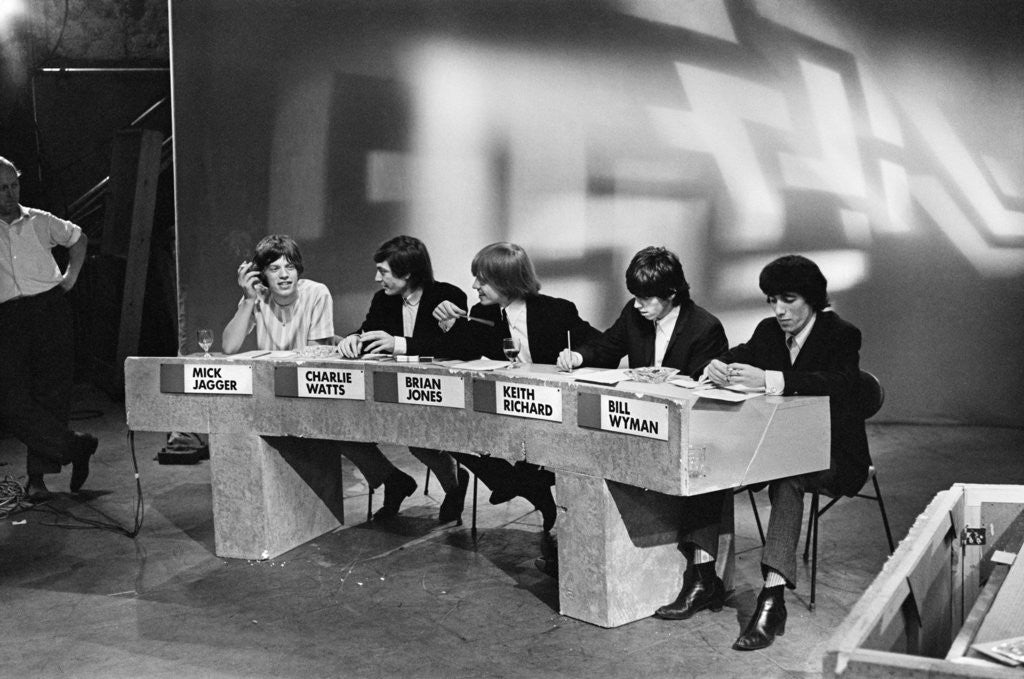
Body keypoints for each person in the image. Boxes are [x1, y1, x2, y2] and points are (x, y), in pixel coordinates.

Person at [702, 254, 867, 651]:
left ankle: (772, 598)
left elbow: (843, 383)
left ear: (811, 299)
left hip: (835, 454)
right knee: (708, 459)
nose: (779, 310)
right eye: (772, 299)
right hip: (777, 447)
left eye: (788, 299)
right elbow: (741, 351)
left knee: (789, 475)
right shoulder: (768, 331)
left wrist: (772, 380)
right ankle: (702, 575)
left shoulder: (842, 334)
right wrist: (718, 365)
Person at [553, 246, 729, 585]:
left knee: (702, 470)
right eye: (634, 297)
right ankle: (578, 552)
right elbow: (606, 348)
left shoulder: (705, 327)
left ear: (672, 294)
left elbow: (705, 395)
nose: (637, 305)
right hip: (638, 424)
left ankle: (702, 578)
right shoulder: (634, 315)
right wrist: (577, 356)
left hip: (684, 434)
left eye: (646, 299)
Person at [221, 234, 418, 520]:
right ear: (261, 274)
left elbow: (314, 354)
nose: (284, 275)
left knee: (327, 425)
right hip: (273, 390)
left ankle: (391, 480)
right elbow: (229, 346)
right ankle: (391, 479)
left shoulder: (316, 293)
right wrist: (249, 300)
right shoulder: (258, 297)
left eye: (289, 267)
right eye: (274, 269)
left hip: (309, 387)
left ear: (299, 269)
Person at [433, 241, 601, 531]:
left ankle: (528, 483)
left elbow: (598, 344)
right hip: (508, 409)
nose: (475, 285)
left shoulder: (556, 310)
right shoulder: (482, 312)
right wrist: (448, 325)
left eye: (482, 280)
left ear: (506, 281)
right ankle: (526, 484)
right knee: (448, 432)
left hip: (552, 412)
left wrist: (577, 355)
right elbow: (462, 350)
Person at [338, 235, 470, 523]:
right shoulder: (382, 300)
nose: (376, 278)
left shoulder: (449, 297)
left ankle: (455, 486)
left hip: (434, 396)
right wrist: (352, 340)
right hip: (388, 395)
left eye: (383, 271)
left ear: (407, 272)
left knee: (419, 441)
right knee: (341, 432)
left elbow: (455, 348)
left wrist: (398, 343)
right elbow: (367, 331)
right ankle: (393, 480)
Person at [0, 155, 98, 500]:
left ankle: (38, 481)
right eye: (2, 188)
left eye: (14, 185)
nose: (10, 194)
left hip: (49, 309)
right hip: (8, 317)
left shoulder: (40, 220)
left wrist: (69, 280)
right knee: (12, 401)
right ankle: (75, 447)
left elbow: (79, 239)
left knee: (50, 396)